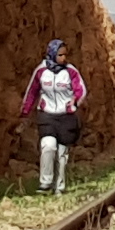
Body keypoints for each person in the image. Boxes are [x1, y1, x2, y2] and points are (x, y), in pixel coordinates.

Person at [25, 40, 88, 191]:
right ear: (52, 54)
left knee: (61, 153)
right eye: (60, 55)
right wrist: (25, 111)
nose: (63, 58)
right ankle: (45, 182)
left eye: (65, 55)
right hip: (47, 116)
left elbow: (81, 90)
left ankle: (59, 186)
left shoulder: (71, 71)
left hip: (65, 117)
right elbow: (32, 91)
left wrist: (73, 104)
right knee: (48, 146)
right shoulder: (41, 70)